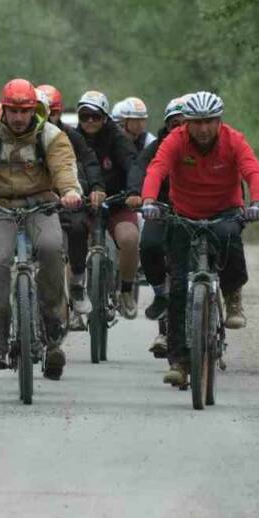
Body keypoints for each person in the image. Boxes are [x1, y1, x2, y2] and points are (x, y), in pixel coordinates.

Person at [0, 78, 83, 379]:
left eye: (24, 110)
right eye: (12, 110)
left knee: (52, 250)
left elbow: (64, 167)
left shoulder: (51, 135)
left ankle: (54, 333)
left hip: (40, 205)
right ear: (4, 109)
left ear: (35, 110)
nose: (18, 117)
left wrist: (70, 191)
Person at [141, 91, 259, 387]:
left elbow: (253, 170)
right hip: (184, 214)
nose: (203, 128)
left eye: (209, 121)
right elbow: (157, 168)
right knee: (179, 291)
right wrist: (148, 199)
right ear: (187, 122)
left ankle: (233, 295)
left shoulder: (233, 139)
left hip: (225, 211)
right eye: (197, 122)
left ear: (218, 121)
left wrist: (257, 203)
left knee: (229, 239)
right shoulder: (176, 140)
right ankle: (180, 363)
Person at [70, 91, 144, 318]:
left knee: (130, 239)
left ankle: (126, 290)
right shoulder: (70, 139)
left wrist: (133, 192)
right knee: (72, 244)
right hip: (82, 202)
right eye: (84, 116)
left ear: (105, 117)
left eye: (95, 116)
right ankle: (73, 299)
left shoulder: (118, 138)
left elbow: (133, 165)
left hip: (117, 201)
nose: (90, 121)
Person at [37, 83, 104, 330]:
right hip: (33, 202)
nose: (47, 117)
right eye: (40, 111)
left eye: (51, 111)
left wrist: (94, 187)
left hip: (67, 198)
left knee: (77, 227)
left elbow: (89, 161)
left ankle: (76, 282)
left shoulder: (70, 136)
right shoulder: (21, 136)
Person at [139, 95, 188, 357]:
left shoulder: (209, 146)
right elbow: (144, 171)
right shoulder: (158, 147)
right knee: (150, 247)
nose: (179, 129)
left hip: (198, 213)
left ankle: (221, 299)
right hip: (162, 209)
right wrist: (143, 196)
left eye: (185, 124)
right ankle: (162, 309)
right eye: (173, 124)